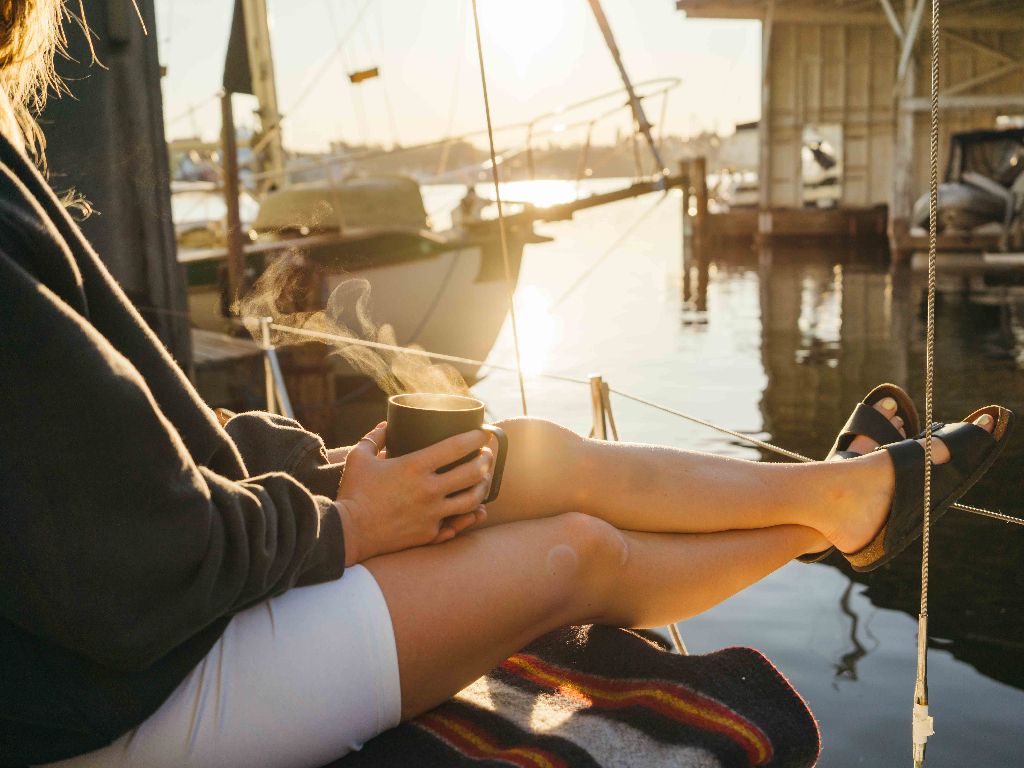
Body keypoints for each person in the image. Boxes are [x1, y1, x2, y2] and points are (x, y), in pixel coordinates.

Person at [0, 3, 1012, 768]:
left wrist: (319, 469)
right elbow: (123, 568)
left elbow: (131, 454)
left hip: (174, 592)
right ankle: (838, 510)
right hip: (128, 693)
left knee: (535, 453)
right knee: (576, 552)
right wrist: (343, 529)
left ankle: (839, 498)